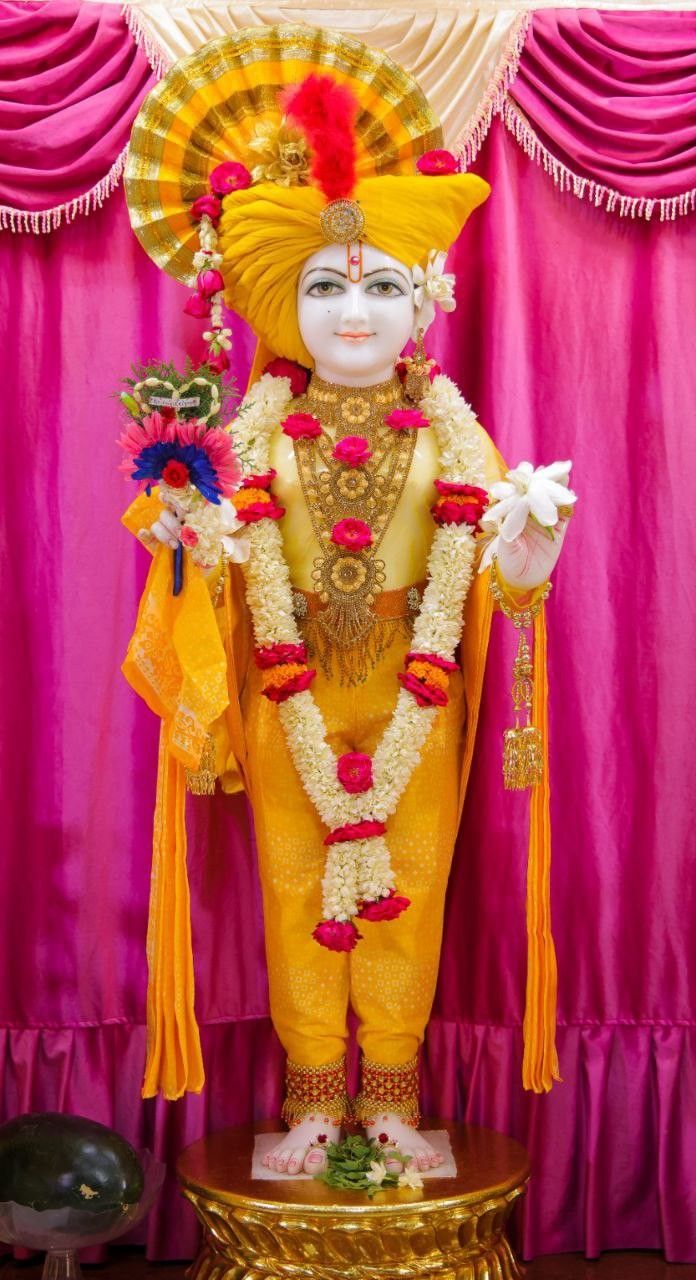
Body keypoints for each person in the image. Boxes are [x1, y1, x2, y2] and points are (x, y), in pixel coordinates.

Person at [122, 27, 573, 1177]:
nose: (356, 311)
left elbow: (502, 592)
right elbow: (206, 567)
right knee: (292, 887)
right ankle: (313, 1096)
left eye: (379, 284)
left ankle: (392, 1097)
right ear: (283, 306)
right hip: (292, 701)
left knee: (406, 895)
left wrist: (526, 544)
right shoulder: (253, 439)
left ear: (426, 296)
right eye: (326, 285)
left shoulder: (461, 434)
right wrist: (180, 542)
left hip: (418, 702)